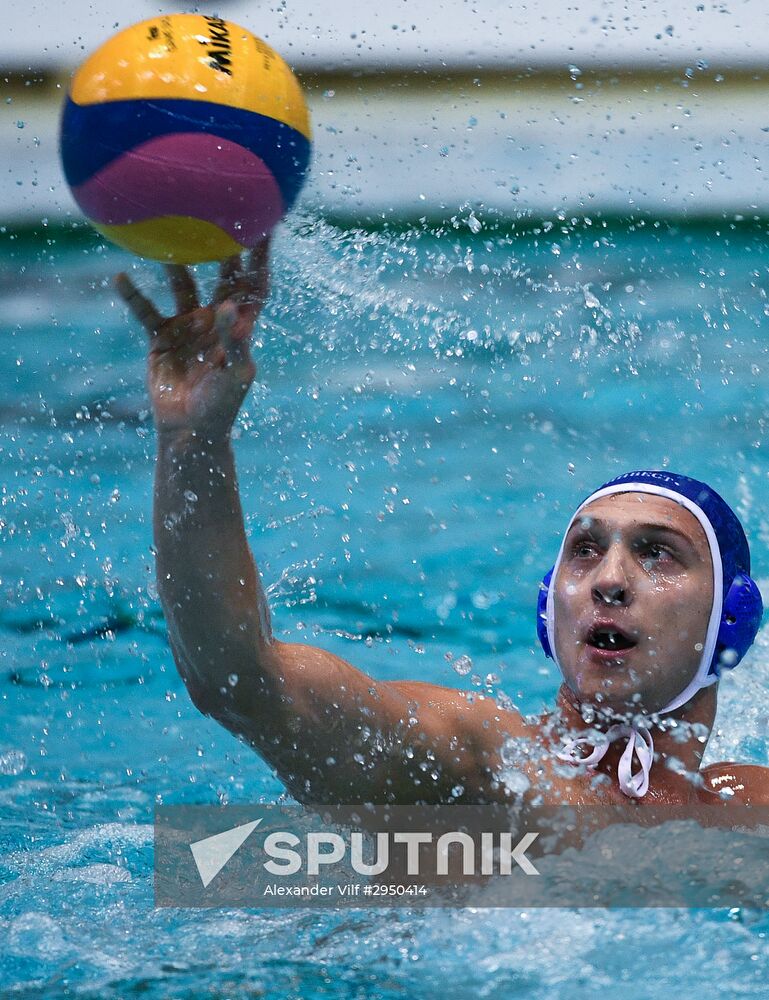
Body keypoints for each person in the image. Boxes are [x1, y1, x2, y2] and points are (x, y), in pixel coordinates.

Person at [116, 243, 768, 808]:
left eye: (656, 554)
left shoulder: (747, 810)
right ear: (549, 610)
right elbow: (241, 680)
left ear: (731, 619)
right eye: (584, 551)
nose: (609, 580)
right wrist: (194, 442)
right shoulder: (483, 768)